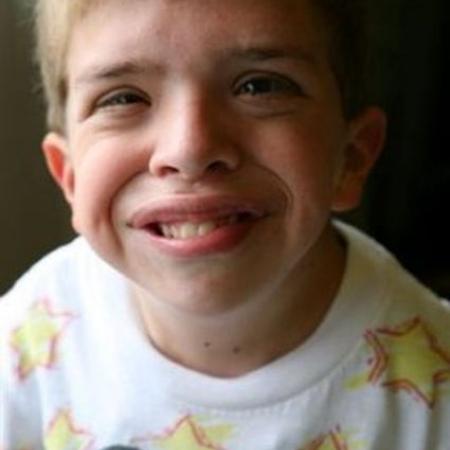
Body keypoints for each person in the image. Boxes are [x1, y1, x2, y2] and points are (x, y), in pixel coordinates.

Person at [1, 0, 449, 448]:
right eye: (124, 98)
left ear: (350, 159)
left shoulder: (435, 387)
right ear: (69, 177)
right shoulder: (23, 349)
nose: (189, 149)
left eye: (259, 86)